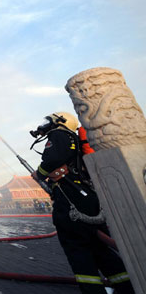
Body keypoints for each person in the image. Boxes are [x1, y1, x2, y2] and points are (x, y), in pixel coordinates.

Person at [30, 112, 134, 294]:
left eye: (50, 120)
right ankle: (126, 287)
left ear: (60, 122)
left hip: (70, 198)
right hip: (86, 197)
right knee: (99, 247)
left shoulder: (59, 134)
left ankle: (93, 290)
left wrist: (39, 173)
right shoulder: (75, 140)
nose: (46, 124)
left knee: (76, 247)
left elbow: (53, 159)